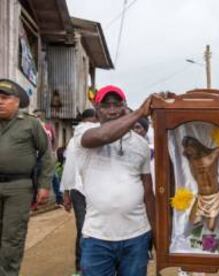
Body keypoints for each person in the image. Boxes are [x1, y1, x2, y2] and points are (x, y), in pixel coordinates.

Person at [75, 85, 156, 276]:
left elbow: (148, 192)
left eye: (116, 104)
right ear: (96, 109)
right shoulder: (84, 131)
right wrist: (138, 113)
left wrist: (155, 233)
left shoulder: (140, 144)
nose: (112, 110)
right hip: (97, 237)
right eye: (105, 105)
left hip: (137, 236)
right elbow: (104, 135)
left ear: (124, 106)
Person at [0, 79, 53, 275]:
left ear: (17, 101)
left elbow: (47, 154)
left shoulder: (30, 124)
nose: (0, 102)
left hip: (19, 187)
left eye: (5, 98)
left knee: (12, 237)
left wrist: (44, 185)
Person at [60, 108, 97, 276]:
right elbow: (69, 169)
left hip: (92, 189)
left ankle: (88, 266)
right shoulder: (76, 140)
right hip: (80, 190)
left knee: (91, 228)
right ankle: (81, 267)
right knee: (84, 228)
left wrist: (66, 195)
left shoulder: (102, 136)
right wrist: (66, 194)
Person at [33, 109, 62, 206]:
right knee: (35, 177)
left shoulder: (49, 127)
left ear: (41, 117)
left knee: (54, 176)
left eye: (37, 115)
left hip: (48, 156)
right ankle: (35, 201)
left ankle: (59, 198)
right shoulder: (33, 128)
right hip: (35, 156)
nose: (36, 117)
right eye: (35, 116)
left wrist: (53, 152)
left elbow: (55, 140)